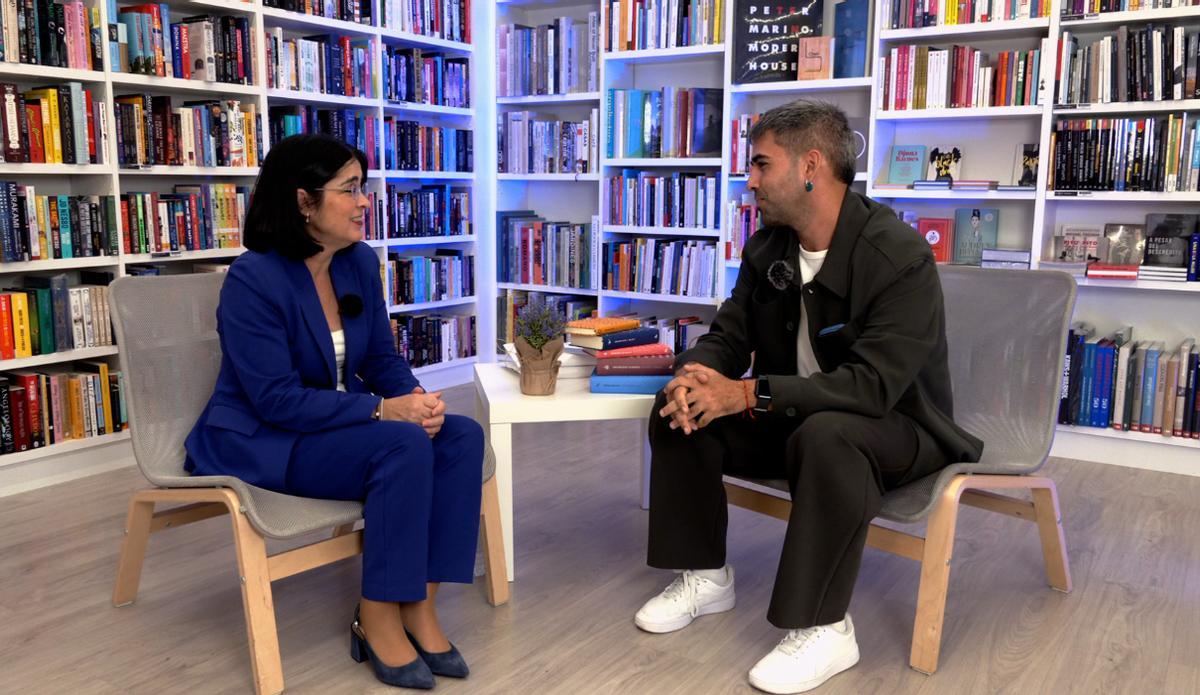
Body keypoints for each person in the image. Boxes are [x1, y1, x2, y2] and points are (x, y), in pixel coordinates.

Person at [633, 100, 984, 694]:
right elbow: (729, 334)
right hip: (791, 415)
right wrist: (697, 376)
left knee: (829, 435)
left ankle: (825, 627)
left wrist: (748, 394)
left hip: (896, 427)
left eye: (761, 164)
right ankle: (706, 576)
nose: (749, 180)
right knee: (679, 410)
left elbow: (872, 386)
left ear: (810, 167)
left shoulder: (899, 256)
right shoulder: (767, 247)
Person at [184, 133, 483, 691]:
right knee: (402, 444)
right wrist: (382, 411)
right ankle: (377, 616)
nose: (364, 201)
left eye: (362, 187)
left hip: (338, 426)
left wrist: (417, 400)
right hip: (269, 438)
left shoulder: (357, 263)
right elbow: (275, 399)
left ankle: (419, 604)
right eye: (349, 189)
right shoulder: (254, 279)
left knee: (460, 436)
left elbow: (380, 358)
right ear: (303, 201)